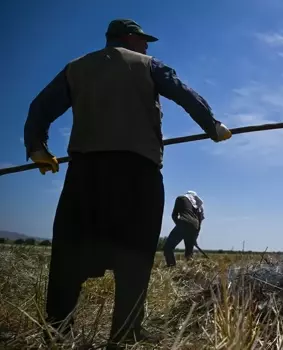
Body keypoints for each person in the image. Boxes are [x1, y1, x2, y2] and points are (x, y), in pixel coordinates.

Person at [22, 19, 232, 348]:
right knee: (135, 254)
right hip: (138, 173)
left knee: (70, 253)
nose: (147, 46)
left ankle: (58, 331)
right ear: (129, 38)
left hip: (85, 174)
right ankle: (126, 333)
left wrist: (37, 148)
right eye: (143, 40)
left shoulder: (75, 68)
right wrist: (213, 125)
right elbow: (183, 93)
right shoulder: (148, 65)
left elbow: (40, 107)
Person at [163, 191, 205, 267]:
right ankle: (190, 271)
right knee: (189, 252)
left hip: (184, 222)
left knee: (168, 248)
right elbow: (199, 223)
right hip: (195, 227)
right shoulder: (199, 207)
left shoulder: (181, 198)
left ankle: (172, 268)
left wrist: (180, 226)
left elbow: (174, 215)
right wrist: (194, 237)